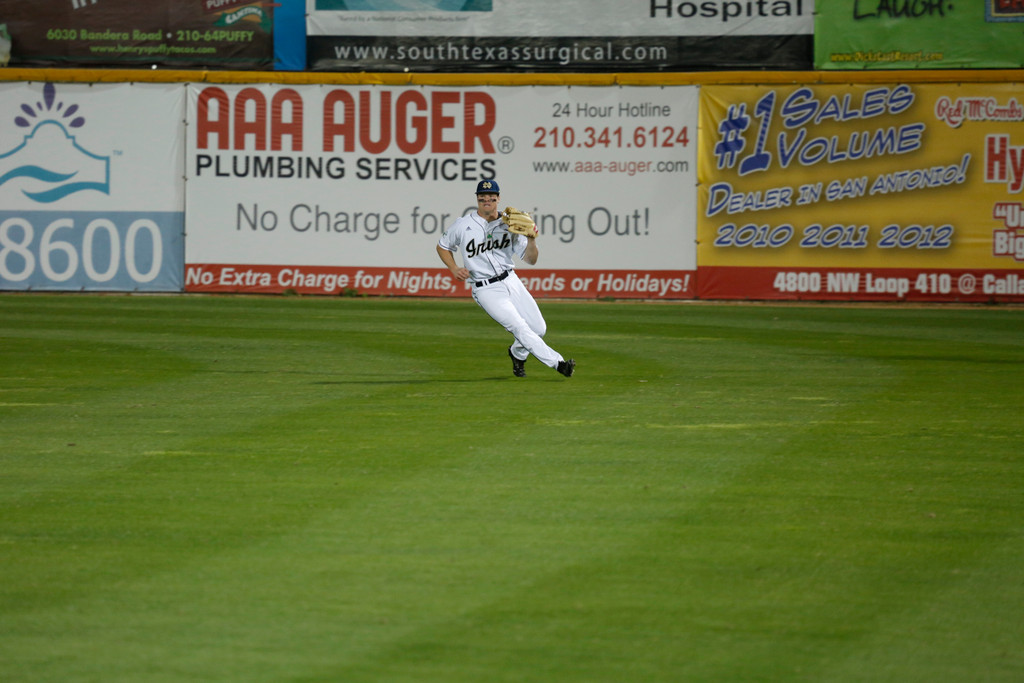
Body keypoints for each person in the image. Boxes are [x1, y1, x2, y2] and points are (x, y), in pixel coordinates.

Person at [436, 179, 575, 378]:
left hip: (511, 280)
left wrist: (532, 240)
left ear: (498, 199)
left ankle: (517, 353)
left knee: (538, 328)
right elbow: (442, 246)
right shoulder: (463, 225)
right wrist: (453, 268)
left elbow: (530, 259)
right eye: (482, 197)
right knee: (518, 326)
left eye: (491, 197)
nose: (487, 200)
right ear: (477, 199)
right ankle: (559, 364)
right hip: (485, 288)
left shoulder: (511, 224)